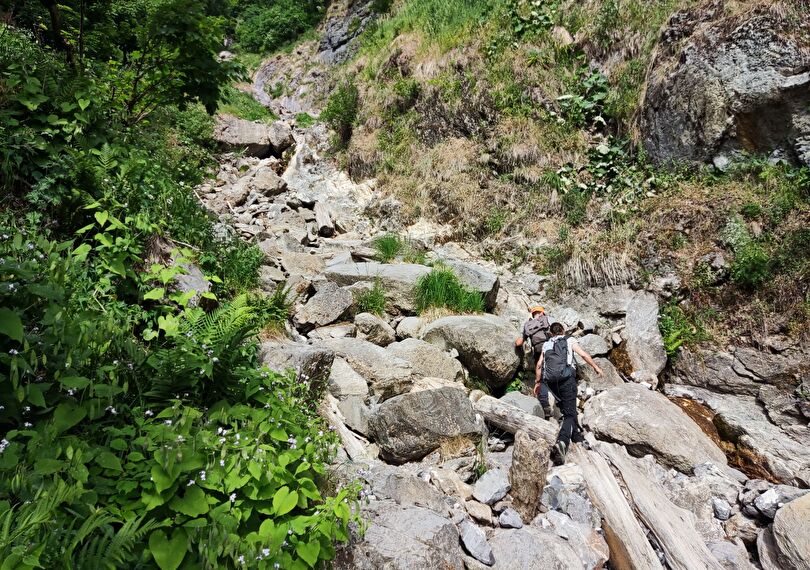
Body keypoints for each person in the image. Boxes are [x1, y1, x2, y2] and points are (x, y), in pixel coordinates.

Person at [534, 322, 603, 465]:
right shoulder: (569, 340)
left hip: (552, 383)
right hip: (566, 380)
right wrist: (596, 367)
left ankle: (577, 437)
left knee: (568, 409)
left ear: (551, 333)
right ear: (563, 331)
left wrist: (537, 382)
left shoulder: (546, 344)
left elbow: (539, 365)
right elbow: (583, 354)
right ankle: (562, 442)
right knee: (570, 414)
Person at [515, 306, 552, 417]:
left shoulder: (528, 325)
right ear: (542, 312)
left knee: (542, 377)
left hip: (538, 350)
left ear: (533, 314)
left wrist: (515, 342)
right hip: (550, 348)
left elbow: (519, 342)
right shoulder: (546, 320)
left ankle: (545, 406)